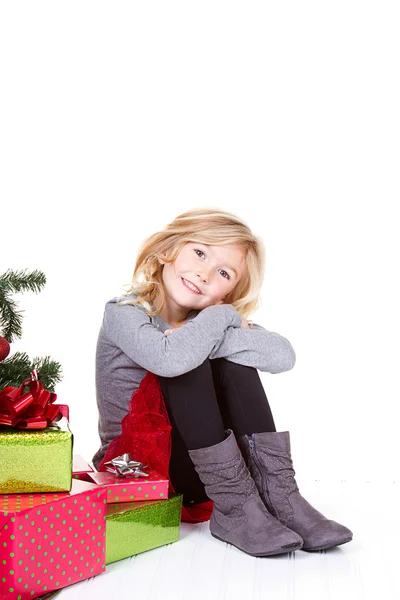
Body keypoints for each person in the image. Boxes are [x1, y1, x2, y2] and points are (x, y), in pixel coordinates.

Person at [92, 206, 353, 557]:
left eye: (223, 273)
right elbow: (170, 359)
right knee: (188, 360)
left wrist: (213, 321)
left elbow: (283, 355)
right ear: (167, 251)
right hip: (142, 473)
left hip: (209, 477)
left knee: (232, 361)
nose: (204, 274)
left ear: (227, 293)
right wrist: (223, 316)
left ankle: (282, 498)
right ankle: (237, 510)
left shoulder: (209, 321)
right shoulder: (123, 311)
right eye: (200, 253)